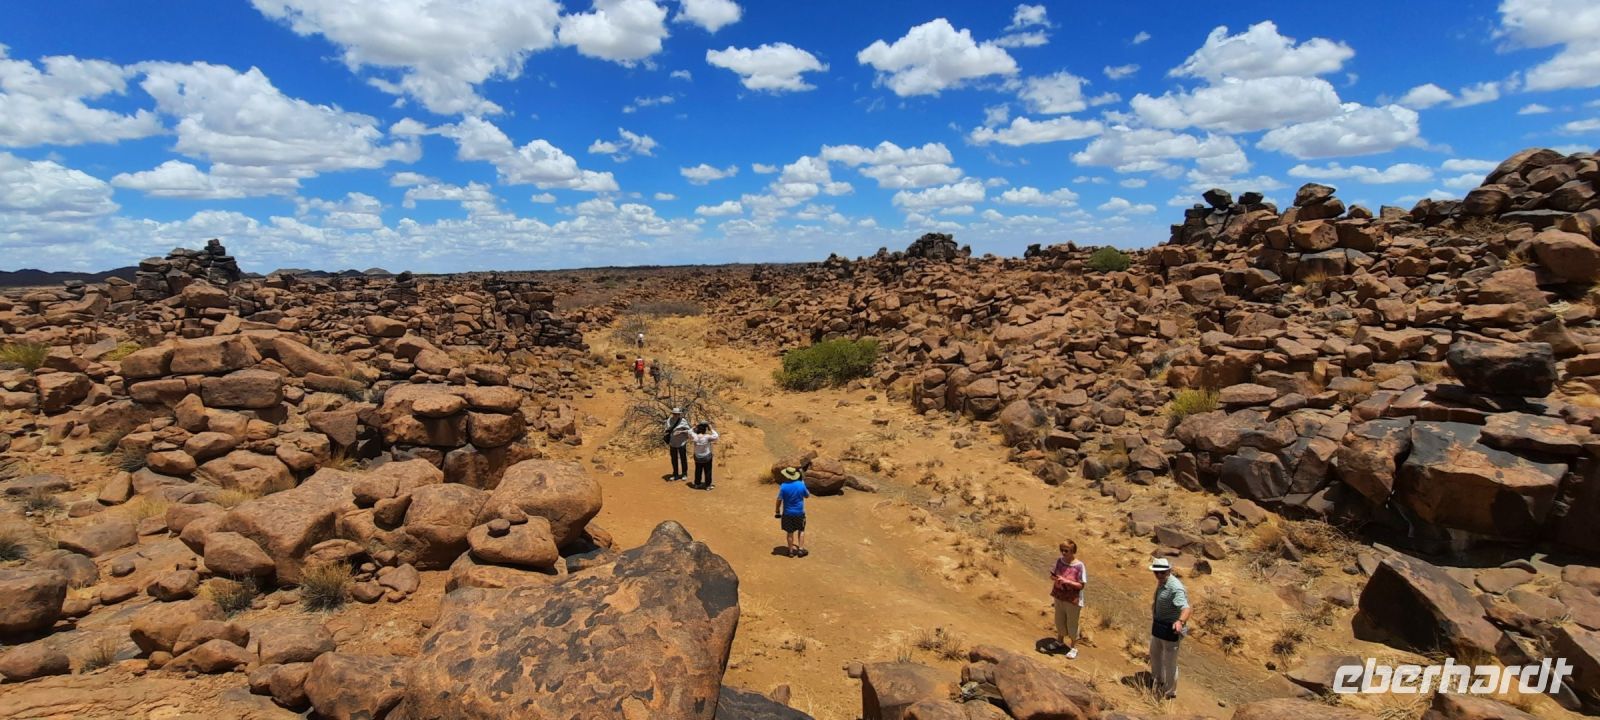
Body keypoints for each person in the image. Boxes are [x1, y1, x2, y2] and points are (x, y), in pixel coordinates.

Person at [1148, 557, 1191, 700]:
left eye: (1162, 572)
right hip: (1159, 626)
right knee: (1155, 653)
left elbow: (1186, 608)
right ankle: (1158, 680)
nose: (1159, 575)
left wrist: (1180, 621)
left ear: (1169, 571)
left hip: (1171, 629)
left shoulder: (1175, 587)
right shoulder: (1162, 583)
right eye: (1156, 572)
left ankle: (1169, 691)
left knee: (1169, 661)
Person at [1046, 540, 1086, 659]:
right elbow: (1052, 575)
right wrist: (1056, 578)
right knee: (1059, 620)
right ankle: (1059, 641)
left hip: (1073, 599)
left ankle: (1073, 648)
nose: (1063, 553)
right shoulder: (1059, 561)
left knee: (1072, 623)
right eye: (1062, 550)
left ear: (1073, 551)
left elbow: (1081, 585)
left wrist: (1068, 581)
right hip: (1059, 596)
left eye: (1066, 550)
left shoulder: (1079, 566)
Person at [775, 467, 810, 557]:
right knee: (801, 530)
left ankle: (790, 551)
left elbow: (779, 499)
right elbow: (807, 496)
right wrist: (803, 484)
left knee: (790, 532)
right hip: (799, 513)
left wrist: (777, 510)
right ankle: (801, 550)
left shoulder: (783, 486)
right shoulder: (801, 485)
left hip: (787, 513)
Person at [689, 421, 718, 489]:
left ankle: (697, 484)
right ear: (705, 430)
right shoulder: (707, 437)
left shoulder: (694, 436)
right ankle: (708, 485)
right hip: (706, 457)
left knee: (698, 470)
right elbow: (716, 436)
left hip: (697, 457)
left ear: (698, 429)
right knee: (708, 471)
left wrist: (695, 426)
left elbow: (689, 432)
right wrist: (711, 428)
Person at [665, 408, 690, 481]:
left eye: (678, 414)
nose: (676, 415)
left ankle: (684, 474)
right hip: (672, 442)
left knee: (683, 458)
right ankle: (675, 474)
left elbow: (689, 430)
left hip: (682, 442)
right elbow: (666, 430)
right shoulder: (669, 420)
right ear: (672, 414)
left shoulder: (683, 421)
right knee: (674, 459)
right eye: (675, 414)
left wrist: (681, 432)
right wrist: (670, 431)